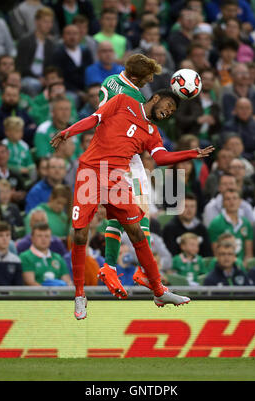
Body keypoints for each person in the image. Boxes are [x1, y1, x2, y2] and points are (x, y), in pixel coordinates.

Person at [50, 89, 214, 319]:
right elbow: (94, 118)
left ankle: (159, 291)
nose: (168, 112)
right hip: (91, 173)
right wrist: (69, 131)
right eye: (168, 105)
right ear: (156, 97)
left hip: (117, 179)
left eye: (172, 112)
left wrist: (190, 154)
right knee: (79, 234)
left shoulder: (151, 131)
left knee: (136, 230)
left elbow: (160, 157)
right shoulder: (123, 102)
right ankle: (79, 294)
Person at [98, 54, 162, 294]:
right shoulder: (134, 96)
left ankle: (109, 267)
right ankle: (142, 271)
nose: (150, 80)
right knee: (140, 210)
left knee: (118, 212)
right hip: (123, 156)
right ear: (136, 77)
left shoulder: (110, 80)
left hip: (105, 152)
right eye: (148, 77)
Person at [15, 7, 56, 97]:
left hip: (44, 78)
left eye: (50, 22)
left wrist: (48, 78)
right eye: (45, 21)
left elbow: (50, 66)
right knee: (33, 85)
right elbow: (21, 66)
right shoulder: (25, 41)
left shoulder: (50, 44)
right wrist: (38, 78)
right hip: (27, 77)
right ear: (37, 22)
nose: (48, 25)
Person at [208, 188, 253, 263]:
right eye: (228, 199)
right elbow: (216, 254)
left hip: (242, 266)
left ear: (240, 201)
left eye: (235, 198)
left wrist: (242, 268)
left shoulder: (246, 223)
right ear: (223, 203)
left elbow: (249, 254)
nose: (232, 201)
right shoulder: (215, 223)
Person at [163, 192, 212, 257]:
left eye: (192, 206)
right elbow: (170, 254)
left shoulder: (201, 228)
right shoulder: (170, 229)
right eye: (185, 206)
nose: (189, 210)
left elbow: (208, 254)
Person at [52, 24, 93, 93]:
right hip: (67, 90)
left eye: (75, 33)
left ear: (80, 36)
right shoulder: (58, 54)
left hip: (86, 89)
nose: (72, 37)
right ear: (63, 36)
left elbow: (91, 73)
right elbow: (58, 78)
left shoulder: (86, 52)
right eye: (68, 33)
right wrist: (77, 92)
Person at [1, 116, 36, 181]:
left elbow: (30, 163)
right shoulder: (3, 145)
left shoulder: (24, 145)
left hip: (24, 174)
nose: (20, 133)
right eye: (17, 131)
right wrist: (17, 169)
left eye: (21, 131)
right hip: (8, 175)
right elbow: (2, 164)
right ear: (7, 132)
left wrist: (30, 169)